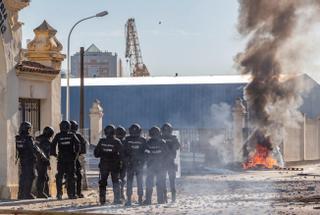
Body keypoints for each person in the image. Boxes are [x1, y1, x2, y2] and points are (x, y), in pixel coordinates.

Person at [16, 121, 48, 199]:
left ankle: (20, 194)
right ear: (27, 129)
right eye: (29, 129)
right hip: (29, 160)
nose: (30, 130)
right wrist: (43, 156)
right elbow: (34, 148)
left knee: (23, 176)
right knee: (31, 176)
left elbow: (18, 149)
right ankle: (27, 194)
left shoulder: (18, 138)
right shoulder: (29, 138)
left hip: (22, 160)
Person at [51, 120, 80, 200]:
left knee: (59, 176)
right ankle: (71, 194)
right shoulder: (72, 135)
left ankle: (59, 194)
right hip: (70, 159)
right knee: (71, 176)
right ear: (68, 127)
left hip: (61, 159)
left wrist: (54, 154)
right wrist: (76, 155)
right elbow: (78, 144)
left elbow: (53, 145)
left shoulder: (58, 135)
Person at [94, 124, 122, 205]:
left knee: (103, 182)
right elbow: (122, 154)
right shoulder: (117, 141)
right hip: (114, 166)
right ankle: (117, 200)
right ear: (114, 132)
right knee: (116, 182)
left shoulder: (101, 141)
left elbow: (96, 154)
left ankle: (102, 200)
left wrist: (103, 153)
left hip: (104, 165)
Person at [123, 123, 146, 206]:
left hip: (138, 165)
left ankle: (139, 199)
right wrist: (127, 161)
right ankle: (129, 199)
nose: (134, 131)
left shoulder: (143, 140)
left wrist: (142, 162)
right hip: (131, 164)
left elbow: (145, 153)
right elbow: (123, 152)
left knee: (138, 182)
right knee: (131, 182)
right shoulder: (127, 139)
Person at [144, 126, 167, 205]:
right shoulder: (162, 142)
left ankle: (148, 200)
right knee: (159, 182)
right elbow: (166, 154)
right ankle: (160, 200)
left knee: (149, 183)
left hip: (151, 165)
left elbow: (146, 154)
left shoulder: (148, 142)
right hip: (160, 165)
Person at [161, 123, 180, 203]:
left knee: (168, 181)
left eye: (166, 130)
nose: (166, 131)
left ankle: (170, 198)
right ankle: (169, 198)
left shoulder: (171, 138)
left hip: (167, 162)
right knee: (167, 181)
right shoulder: (173, 138)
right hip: (165, 162)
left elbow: (178, 146)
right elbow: (178, 147)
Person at [70, 120, 88, 198]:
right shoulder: (79, 136)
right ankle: (78, 192)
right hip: (77, 158)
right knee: (78, 176)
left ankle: (70, 192)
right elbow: (84, 149)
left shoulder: (63, 135)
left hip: (65, 159)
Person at [35, 126, 54, 198]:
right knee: (42, 177)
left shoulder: (37, 138)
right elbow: (45, 154)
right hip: (42, 161)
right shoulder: (47, 141)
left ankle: (45, 192)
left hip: (36, 161)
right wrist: (48, 163)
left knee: (44, 177)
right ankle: (40, 193)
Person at [115, 126, 127, 201]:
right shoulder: (125, 142)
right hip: (122, 162)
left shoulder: (114, 141)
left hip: (115, 163)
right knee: (122, 179)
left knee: (117, 179)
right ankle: (121, 194)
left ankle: (118, 195)